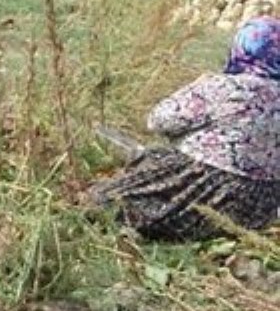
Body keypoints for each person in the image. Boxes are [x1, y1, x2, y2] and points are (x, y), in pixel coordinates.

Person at [92, 16, 280, 241]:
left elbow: (158, 121)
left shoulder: (222, 87)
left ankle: (148, 226)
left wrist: (199, 93)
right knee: (157, 156)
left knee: (102, 199)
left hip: (210, 189)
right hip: (262, 208)